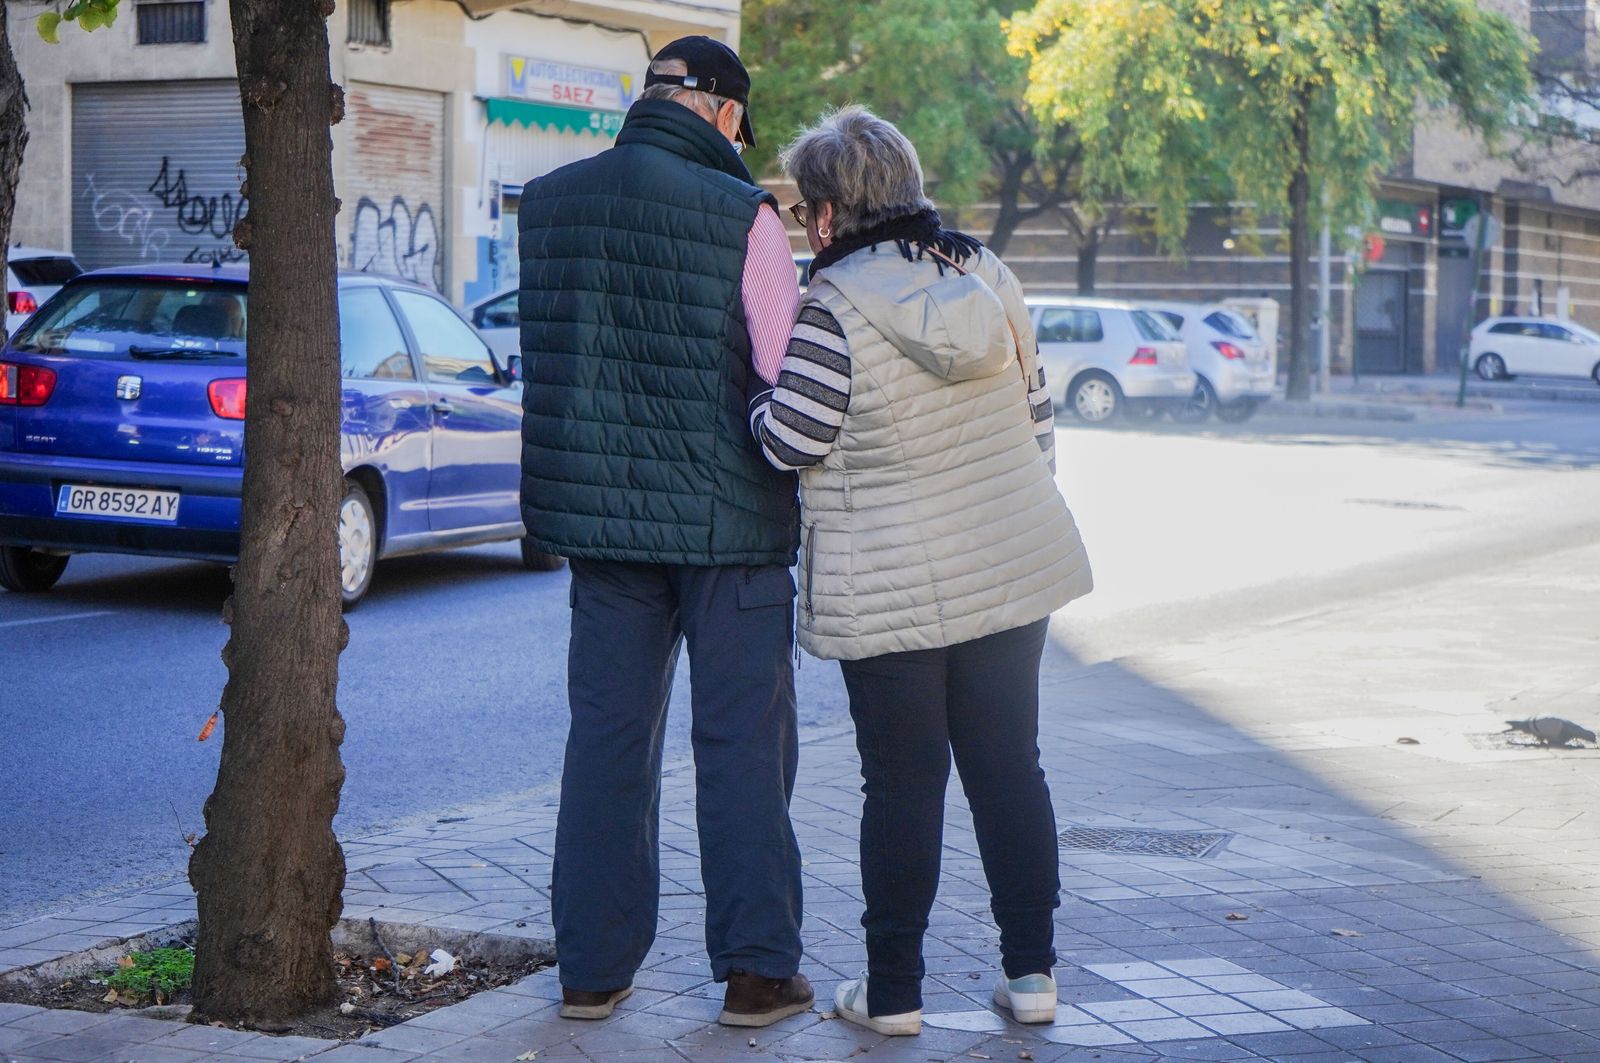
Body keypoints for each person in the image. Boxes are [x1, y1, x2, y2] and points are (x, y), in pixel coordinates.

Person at [748, 106, 1093, 1036]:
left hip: (890, 582)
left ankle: (893, 993)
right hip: (1010, 565)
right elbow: (1037, 415)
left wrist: (753, 411)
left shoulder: (831, 304)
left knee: (902, 784)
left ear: (827, 214)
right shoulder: (988, 273)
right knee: (1009, 769)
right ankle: (1032, 977)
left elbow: (794, 437)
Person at [517, 37, 813, 1027]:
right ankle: (756, 973)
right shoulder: (743, 215)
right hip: (729, 527)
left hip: (603, 530)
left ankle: (591, 972)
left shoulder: (553, 202)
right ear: (725, 114)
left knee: (606, 738)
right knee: (740, 746)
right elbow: (783, 370)